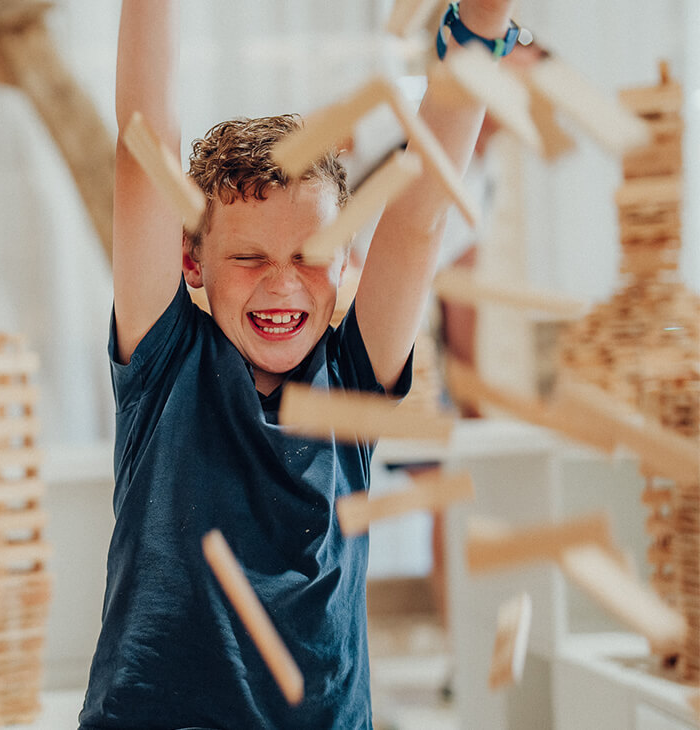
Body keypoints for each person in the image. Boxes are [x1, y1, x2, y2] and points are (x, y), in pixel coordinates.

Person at [81, 1, 517, 727]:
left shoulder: (353, 378)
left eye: (309, 258)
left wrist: (477, 35)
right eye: (248, 257)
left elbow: (419, 218)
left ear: (345, 260)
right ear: (193, 260)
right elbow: (143, 145)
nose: (282, 284)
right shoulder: (165, 359)